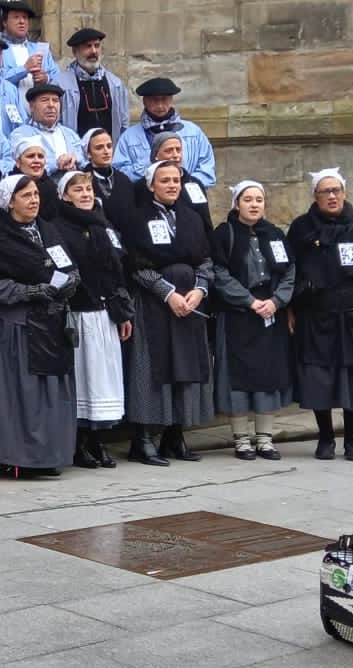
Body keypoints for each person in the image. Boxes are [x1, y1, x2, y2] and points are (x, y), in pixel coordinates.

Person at [0, 172, 81, 477]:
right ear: (9, 201)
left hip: (50, 322)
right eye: (26, 196)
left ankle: (47, 455)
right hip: (14, 326)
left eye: (35, 195)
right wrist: (30, 291)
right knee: (18, 395)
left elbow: (68, 266)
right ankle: (16, 456)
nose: (34, 200)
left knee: (49, 395)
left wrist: (69, 282)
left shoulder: (47, 230)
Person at [286, 168, 353, 462]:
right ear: (315, 196)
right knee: (321, 377)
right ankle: (325, 438)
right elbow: (289, 273)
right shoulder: (301, 228)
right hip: (316, 315)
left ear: (344, 194)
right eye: (325, 192)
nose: (332, 196)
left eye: (337, 191)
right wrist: (290, 308)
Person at [124, 157, 215, 465]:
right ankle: (143, 439)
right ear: (151, 185)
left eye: (175, 180)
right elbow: (135, 265)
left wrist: (199, 290)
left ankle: (174, 437)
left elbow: (205, 260)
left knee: (185, 367)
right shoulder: (138, 218)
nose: (172, 185)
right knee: (151, 370)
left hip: (189, 304)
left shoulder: (191, 217)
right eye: (165, 181)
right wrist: (168, 294)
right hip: (154, 305)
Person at [54, 168, 134, 468]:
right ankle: (78, 442)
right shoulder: (59, 227)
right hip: (79, 312)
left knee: (103, 379)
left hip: (105, 312)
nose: (86, 194)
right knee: (82, 377)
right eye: (78, 190)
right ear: (65, 196)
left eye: (88, 189)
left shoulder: (103, 224)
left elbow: (117, 270)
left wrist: (122, 310)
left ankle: (97, 440)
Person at [211, 180, 295, 462]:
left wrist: (276, 301)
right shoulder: (225, 233)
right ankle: (241, 439)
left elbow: (290, 272)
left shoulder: (275, 235)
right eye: (248, 199)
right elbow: (219, 273)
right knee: (237, 378)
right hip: (238, 314)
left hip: (270, 313)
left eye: (259, 199)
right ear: (237, 203)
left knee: (267, 376)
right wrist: (248, 300)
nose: (254, 204)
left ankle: (265, 438)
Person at [114, 76, 216, 187]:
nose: (160, 105)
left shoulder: (194, 133)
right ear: (144, 101)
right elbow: (119, 173)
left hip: (188, 198)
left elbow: (207, 170)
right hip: (146, 200)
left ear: (171, 99)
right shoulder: (129, 137)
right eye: (154, 100)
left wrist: (183, 185)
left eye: (164, 99)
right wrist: (149, 171)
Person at [55, 27, 128, 141]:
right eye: (88, 46)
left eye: (97, 46)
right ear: (75, 51)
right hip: (75, 153)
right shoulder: (60, 84)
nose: (94, 51)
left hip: (108, 153)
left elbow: (123, 123)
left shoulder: (115, 84)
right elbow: (55, 123)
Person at [12, 83, 86, 174]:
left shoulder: (69, 133)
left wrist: (75, 159)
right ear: (31, 107)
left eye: (55, 100)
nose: (51, 105)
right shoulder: (21, 134)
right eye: (45, 100)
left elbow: (84, 159)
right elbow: (23, 166)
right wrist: (57, 163)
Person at [0, 0, 53, 90]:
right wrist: (24, 69)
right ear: (5, 22)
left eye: (25, 17)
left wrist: (46, 78)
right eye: (16, 17)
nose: (21, 21)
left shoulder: (40, 49)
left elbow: (57, 77)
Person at [8, 133, 60, 220]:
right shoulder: (8, 187)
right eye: (30, 156)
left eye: (40, 156)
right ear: (18, 162)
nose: (36, 160)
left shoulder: (51, 188)